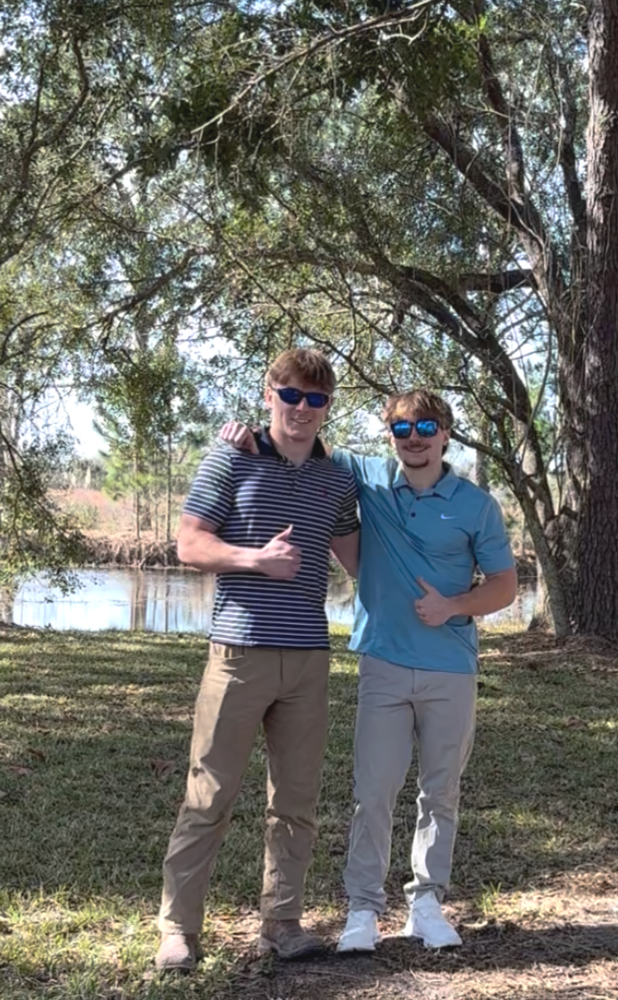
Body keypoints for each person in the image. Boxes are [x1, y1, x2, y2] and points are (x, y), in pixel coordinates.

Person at [220, 388, 517, 953]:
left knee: (441, 792)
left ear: (446, 434)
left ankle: (426, 905)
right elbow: (302, 438)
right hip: (382, 662)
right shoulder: (369, 476)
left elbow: (505, 586)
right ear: (390, 437)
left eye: (426, 429)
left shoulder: (476, 505)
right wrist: (249, 436)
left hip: (450, 669)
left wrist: (454, 607)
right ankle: (363, 910)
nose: (415, 441)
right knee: (373, 792)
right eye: (402, 430)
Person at [155, 349, 359, 972]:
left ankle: (283, 923)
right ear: (269, 393)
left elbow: (360, 561)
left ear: (327, 408)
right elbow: (188, 543)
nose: (301, 409)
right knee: (208, 794)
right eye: (291, 395)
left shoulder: (336, 478)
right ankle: (178, 931)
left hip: (307, 659)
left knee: (296, 800)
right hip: (238, 653)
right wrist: (253, 559)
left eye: (315, 399)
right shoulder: (230, 456)